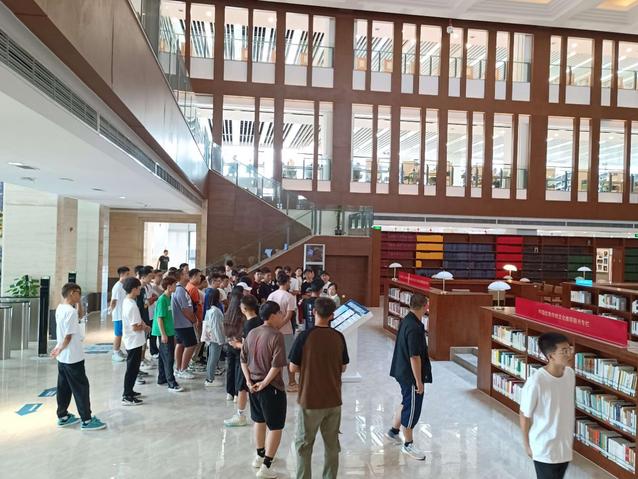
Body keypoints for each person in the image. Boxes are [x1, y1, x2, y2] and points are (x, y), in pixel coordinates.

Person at [289, 297, 349, 479]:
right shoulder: (338, 336)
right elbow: (343, 367)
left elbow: (293, 367)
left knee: (304, 444)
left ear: (314, 312)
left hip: (310, 399)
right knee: (332, 445)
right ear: (332, 315)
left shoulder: (304, 336)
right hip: (333, 398)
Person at [240, 301, 288, 479]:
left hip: (253, 386)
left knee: (259, 420)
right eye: (280, 313)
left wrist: (248, 380)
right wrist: (265, 383)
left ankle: (259, 456)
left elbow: (243, 359)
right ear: (273, 315)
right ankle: (266, 466)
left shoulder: (252, 332)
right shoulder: (276, 335)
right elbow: (277, 365)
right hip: (271, 388)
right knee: (275, 426)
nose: (282, 316)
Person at [51, 283, 107, 431]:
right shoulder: (70, 312)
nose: (80, 296)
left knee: (64, 387)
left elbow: (79, 316)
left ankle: (63, 416)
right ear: (71, 293)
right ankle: (87, 420)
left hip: (63, 358)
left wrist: (59, 349)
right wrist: (59, 348)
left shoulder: (61, 308)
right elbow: (68, 336)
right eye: (78, 293)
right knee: (81, 388)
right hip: (73, 357)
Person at [520, 333, 575, 479]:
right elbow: (524, 414)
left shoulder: (570, 374)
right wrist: (527, 445)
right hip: (544, 449)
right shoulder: (536, 382)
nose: (569, 354)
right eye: (564, 351)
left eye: (570, 349)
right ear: (551, 356)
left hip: (564, 448)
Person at [387, 292, 432, 461]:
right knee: (412, 408)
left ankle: (393, 431)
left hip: (401, 370)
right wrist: (418, 381)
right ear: (425, 306)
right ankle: (408, 444)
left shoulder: (408, 320)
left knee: (406, 401)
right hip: (410, 375)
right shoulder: (414, 327)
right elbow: (414, 357)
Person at [267, 272, 299, 392]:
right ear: (286, 282)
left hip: (272, 329)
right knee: (289, 356)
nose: (290, 283)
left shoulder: (271, 295)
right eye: (289, 282)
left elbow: (268, 312)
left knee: (276, 357)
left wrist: (274, 326)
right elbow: (289, 315)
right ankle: (291, 382)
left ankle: (278, 382)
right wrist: (280, 325)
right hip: (286, 331)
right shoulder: (289, 297)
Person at [121, 277, 150, 406]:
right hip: (133, 341)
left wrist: (142, 324)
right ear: (133, 289)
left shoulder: (128, 301)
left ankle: (130, 391)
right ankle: (127, 395)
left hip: (134, 340)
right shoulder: (131, 305)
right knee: (132, 369)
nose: (140, 289)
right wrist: (145, 327)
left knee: (134, 368)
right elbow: (134, 327)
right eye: (138, 288)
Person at [223, 287, 250, 421]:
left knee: (230, 368)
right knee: (240, 370)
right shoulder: (242, 316)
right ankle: (236, 394)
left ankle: (229, 392)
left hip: (229, 343)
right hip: (239, 344)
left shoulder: (227, 314)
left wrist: (230, 340)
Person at [153, 276, 183, 392]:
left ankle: (162, 378)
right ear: (169, 287)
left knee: (163, 357)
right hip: (164, 332)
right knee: (169, 357)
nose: (176, 287)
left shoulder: (169, 297)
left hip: (169, 331)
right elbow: (159, 318)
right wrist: (163, 334)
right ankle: (171, 383)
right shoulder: (162, 300)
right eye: (175, 285)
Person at [172, 268, 198, 380]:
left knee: (181, 344)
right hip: (184, 323)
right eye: (186, 273)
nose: (188, 274)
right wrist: (194, 320)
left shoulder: (180, 289)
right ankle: (183, 369)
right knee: (191, 345)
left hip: (180, 323)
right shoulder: (180, 290)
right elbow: (185, 309)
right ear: (181, 276)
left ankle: (178, 368)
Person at [202, 288, 225, 387]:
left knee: (211, 358)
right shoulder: (215, 311)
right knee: (213, 358)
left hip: (212, 337)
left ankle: (209, 377)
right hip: (215, 338)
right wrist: (221, 340)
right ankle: (210, 379)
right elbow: (216, 327)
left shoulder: (210, 310)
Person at [110, 266, 131, 362]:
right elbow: (113, 301)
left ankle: (118, 350)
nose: (128, 276)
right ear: (122, 274)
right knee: (118, 334)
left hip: (123, 314)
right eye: (127, 274)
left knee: (121, 333)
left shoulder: (123, 286)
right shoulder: (117, 286)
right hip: (118, 315)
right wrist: (112, 311)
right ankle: (115, 352)